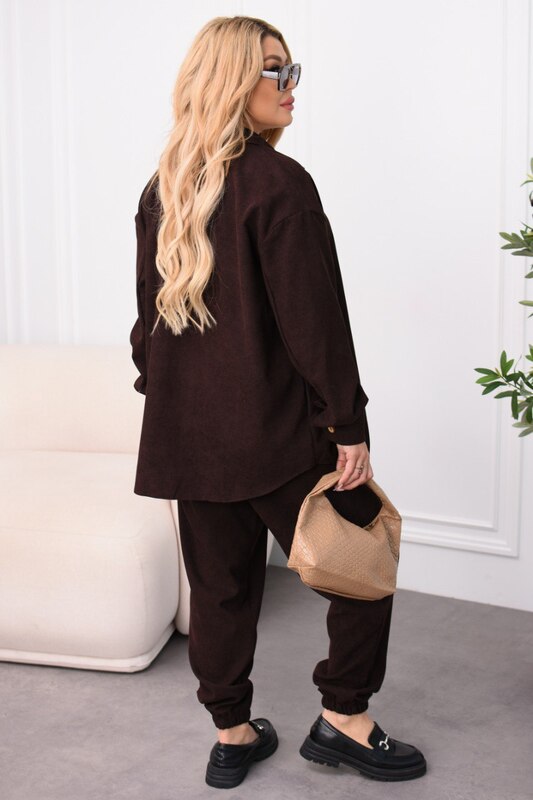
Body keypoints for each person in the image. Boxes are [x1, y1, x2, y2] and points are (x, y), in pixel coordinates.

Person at [129, 14, 427, 789]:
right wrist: (346, 424)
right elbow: (314, 324)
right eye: (275, 71)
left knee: (220, 592)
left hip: (189, 438)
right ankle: (344, 721)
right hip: (276, 435)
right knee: (363, 564)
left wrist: (173, 399)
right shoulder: (279, 184)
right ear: (232, 80)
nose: (292, 87)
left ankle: (232, 734)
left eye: (294, 71)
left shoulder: (164, 189)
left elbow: (144, 329)